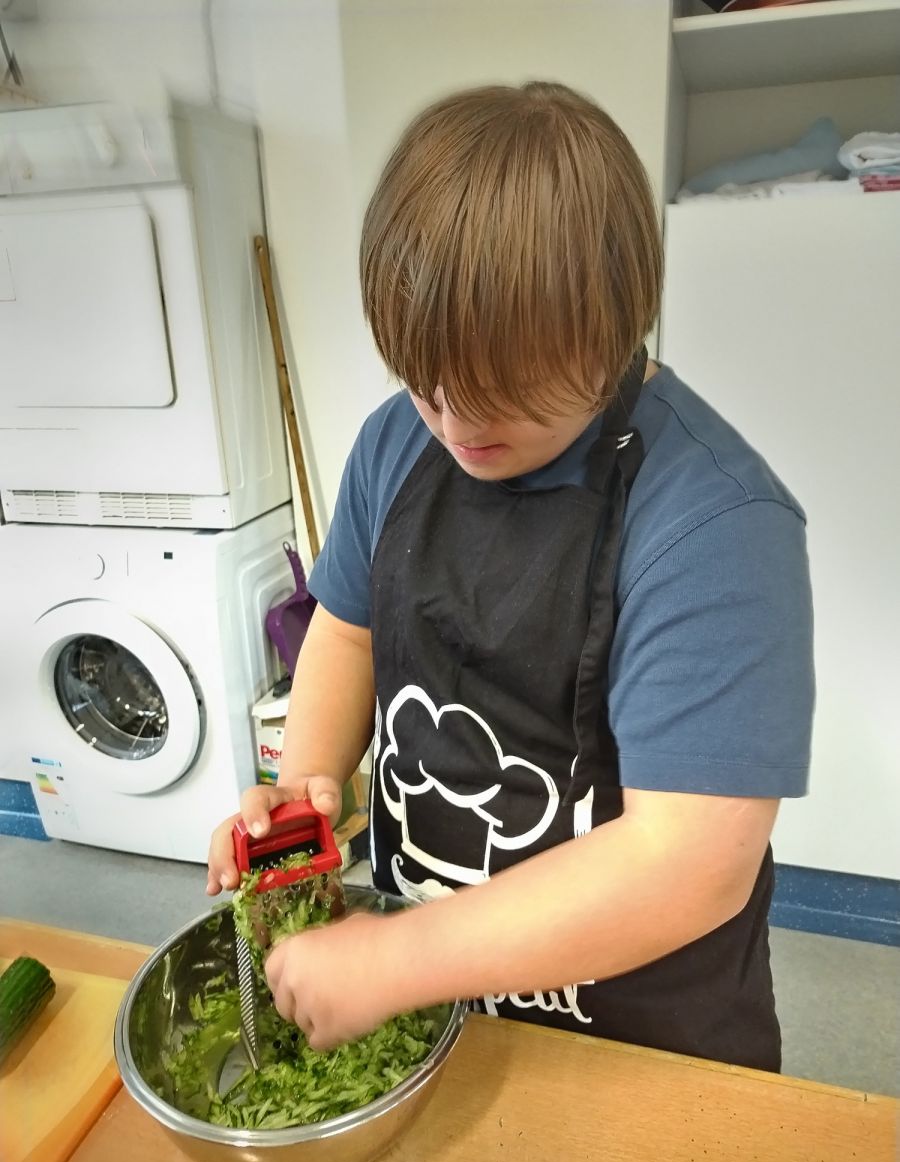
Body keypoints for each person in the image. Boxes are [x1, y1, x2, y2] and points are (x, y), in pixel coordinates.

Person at [207, 81, 815, 1071]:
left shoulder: (718, 525)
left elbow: (689, 864)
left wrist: (396, 958)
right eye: (425, 380)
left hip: (636, 1046)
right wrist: (305, 788)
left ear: (610, 325)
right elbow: (349, 630)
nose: (455, 422)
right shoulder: (395, 444)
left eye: (502, 389)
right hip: (435, 1014)